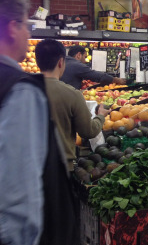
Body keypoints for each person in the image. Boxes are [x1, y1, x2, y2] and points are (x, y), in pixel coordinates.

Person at [0, 0, 77, 245]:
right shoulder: (20, 89)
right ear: (13, 28)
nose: (28, 36)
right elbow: (20, 178)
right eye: (27, 27)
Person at [35, 39, 110, 171]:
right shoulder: (72, 94)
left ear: (37, 62)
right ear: (61, 62)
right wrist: (100, 116)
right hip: (60, 165)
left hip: (30, 165)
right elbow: (88, 131)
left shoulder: (24, 90)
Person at [60, 45, 126, 90]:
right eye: (85, 57)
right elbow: (97, 76)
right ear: (79, 55)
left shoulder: (62, 62)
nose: (85, 60)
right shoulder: (77, 65)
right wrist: (117, 80)